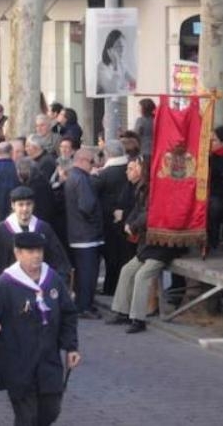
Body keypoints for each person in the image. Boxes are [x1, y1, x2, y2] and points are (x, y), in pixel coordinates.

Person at [0, 231, 80, 426]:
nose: (37, 255)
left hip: (48, 361)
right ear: (18, 253)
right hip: (18, 363)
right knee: (27, 418)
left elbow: (68, 313)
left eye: (39, 250)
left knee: (51, 411)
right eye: (30, 251)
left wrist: (71, 347)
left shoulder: (53, 280)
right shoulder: (4, 284)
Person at [107, 157, 187, 333]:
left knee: (142, 275)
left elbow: (151, 213)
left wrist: (133, 225)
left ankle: (138, 319)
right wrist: (130, 222)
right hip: (148, 244)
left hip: (164, 245)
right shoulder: (144, 188)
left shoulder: (161, 190)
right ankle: (122, 311)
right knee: (127, 270)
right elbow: (138, 210)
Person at [64, 148, 104, 319]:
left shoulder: (73, 176)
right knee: (88, 273)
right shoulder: (81, 179)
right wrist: (96, 222)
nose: (93, 165)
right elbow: (87, 206)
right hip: (86, 234)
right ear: (81, 160)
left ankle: (83, 304)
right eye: (91, 161)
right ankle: (84, 306)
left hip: (78, 233)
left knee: (82, 272)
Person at [92, 140, 129, 295]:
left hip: (108, 220)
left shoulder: (104, 174)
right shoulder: (128, 168)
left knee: (111, 256)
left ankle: (110, 288)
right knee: (123, 255)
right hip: (126, 217)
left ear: (107, 154)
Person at [97, 29, 136, 94]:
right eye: (119, 46)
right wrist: (115, 65)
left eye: (123, 46)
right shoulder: (101, 67)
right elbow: (112, 90)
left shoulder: (122, 64)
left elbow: (133, 82)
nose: (122, 51)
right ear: (109, 49)